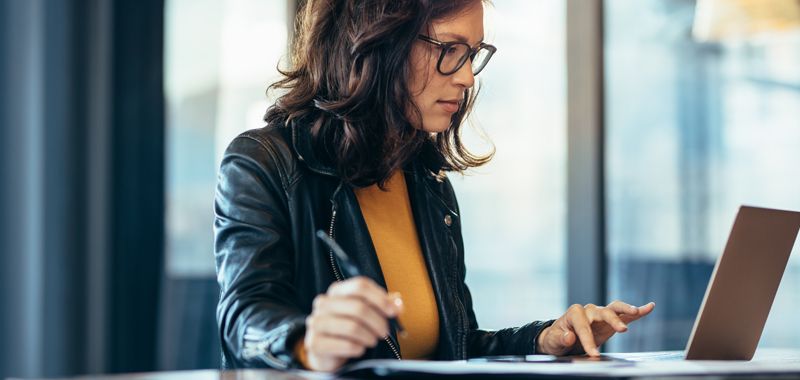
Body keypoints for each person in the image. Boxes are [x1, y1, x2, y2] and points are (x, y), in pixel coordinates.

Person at [214, 0, 654, 372]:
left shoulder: (426, 179)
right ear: (378, 41)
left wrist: (546, 339)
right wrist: (307, 343)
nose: (466, 77)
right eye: (450, 49)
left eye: (473, 54)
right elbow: (243, 320)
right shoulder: (263, 162)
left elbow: (454, 351)